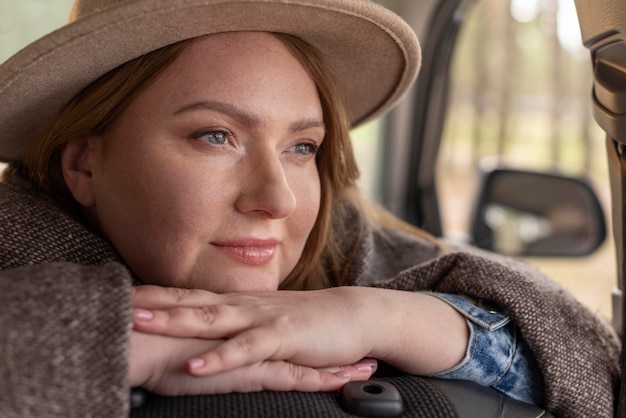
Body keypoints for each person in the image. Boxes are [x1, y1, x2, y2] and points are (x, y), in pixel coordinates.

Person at [0, 0, 619, 417]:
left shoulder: (358, 247)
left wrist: (382, 317)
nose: (277, 198)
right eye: (215, 136)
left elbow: (592, 364)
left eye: (302, 147)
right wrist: (115, 344)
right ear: (84, 166)